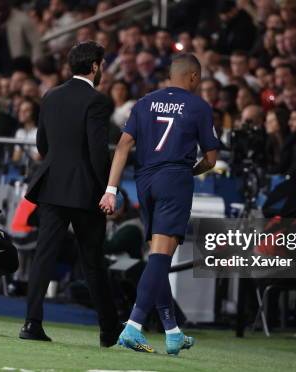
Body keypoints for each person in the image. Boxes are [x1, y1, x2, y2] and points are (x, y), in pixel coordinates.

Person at [99, 53, 219, 355]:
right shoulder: (199, 107)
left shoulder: (144, 102)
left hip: (144, 182)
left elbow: (123, 145)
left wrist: (111, 189)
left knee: (156, 256)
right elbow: (211, 159)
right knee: (161, 258)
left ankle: (173, 331)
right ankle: (134, 325)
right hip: (174, 180)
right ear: (193, 77)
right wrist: (189, 170)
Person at [21, 41, 120, 346]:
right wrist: (108, 189)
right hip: (84, 191)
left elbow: (42, 145)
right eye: (102, 65)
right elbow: (97, 153)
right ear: (94, 66)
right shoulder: (98, 102)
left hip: (51, 186)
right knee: (92, 260)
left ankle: (31, 323)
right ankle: (108, 330)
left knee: (43, 256)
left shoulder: (51, 96)